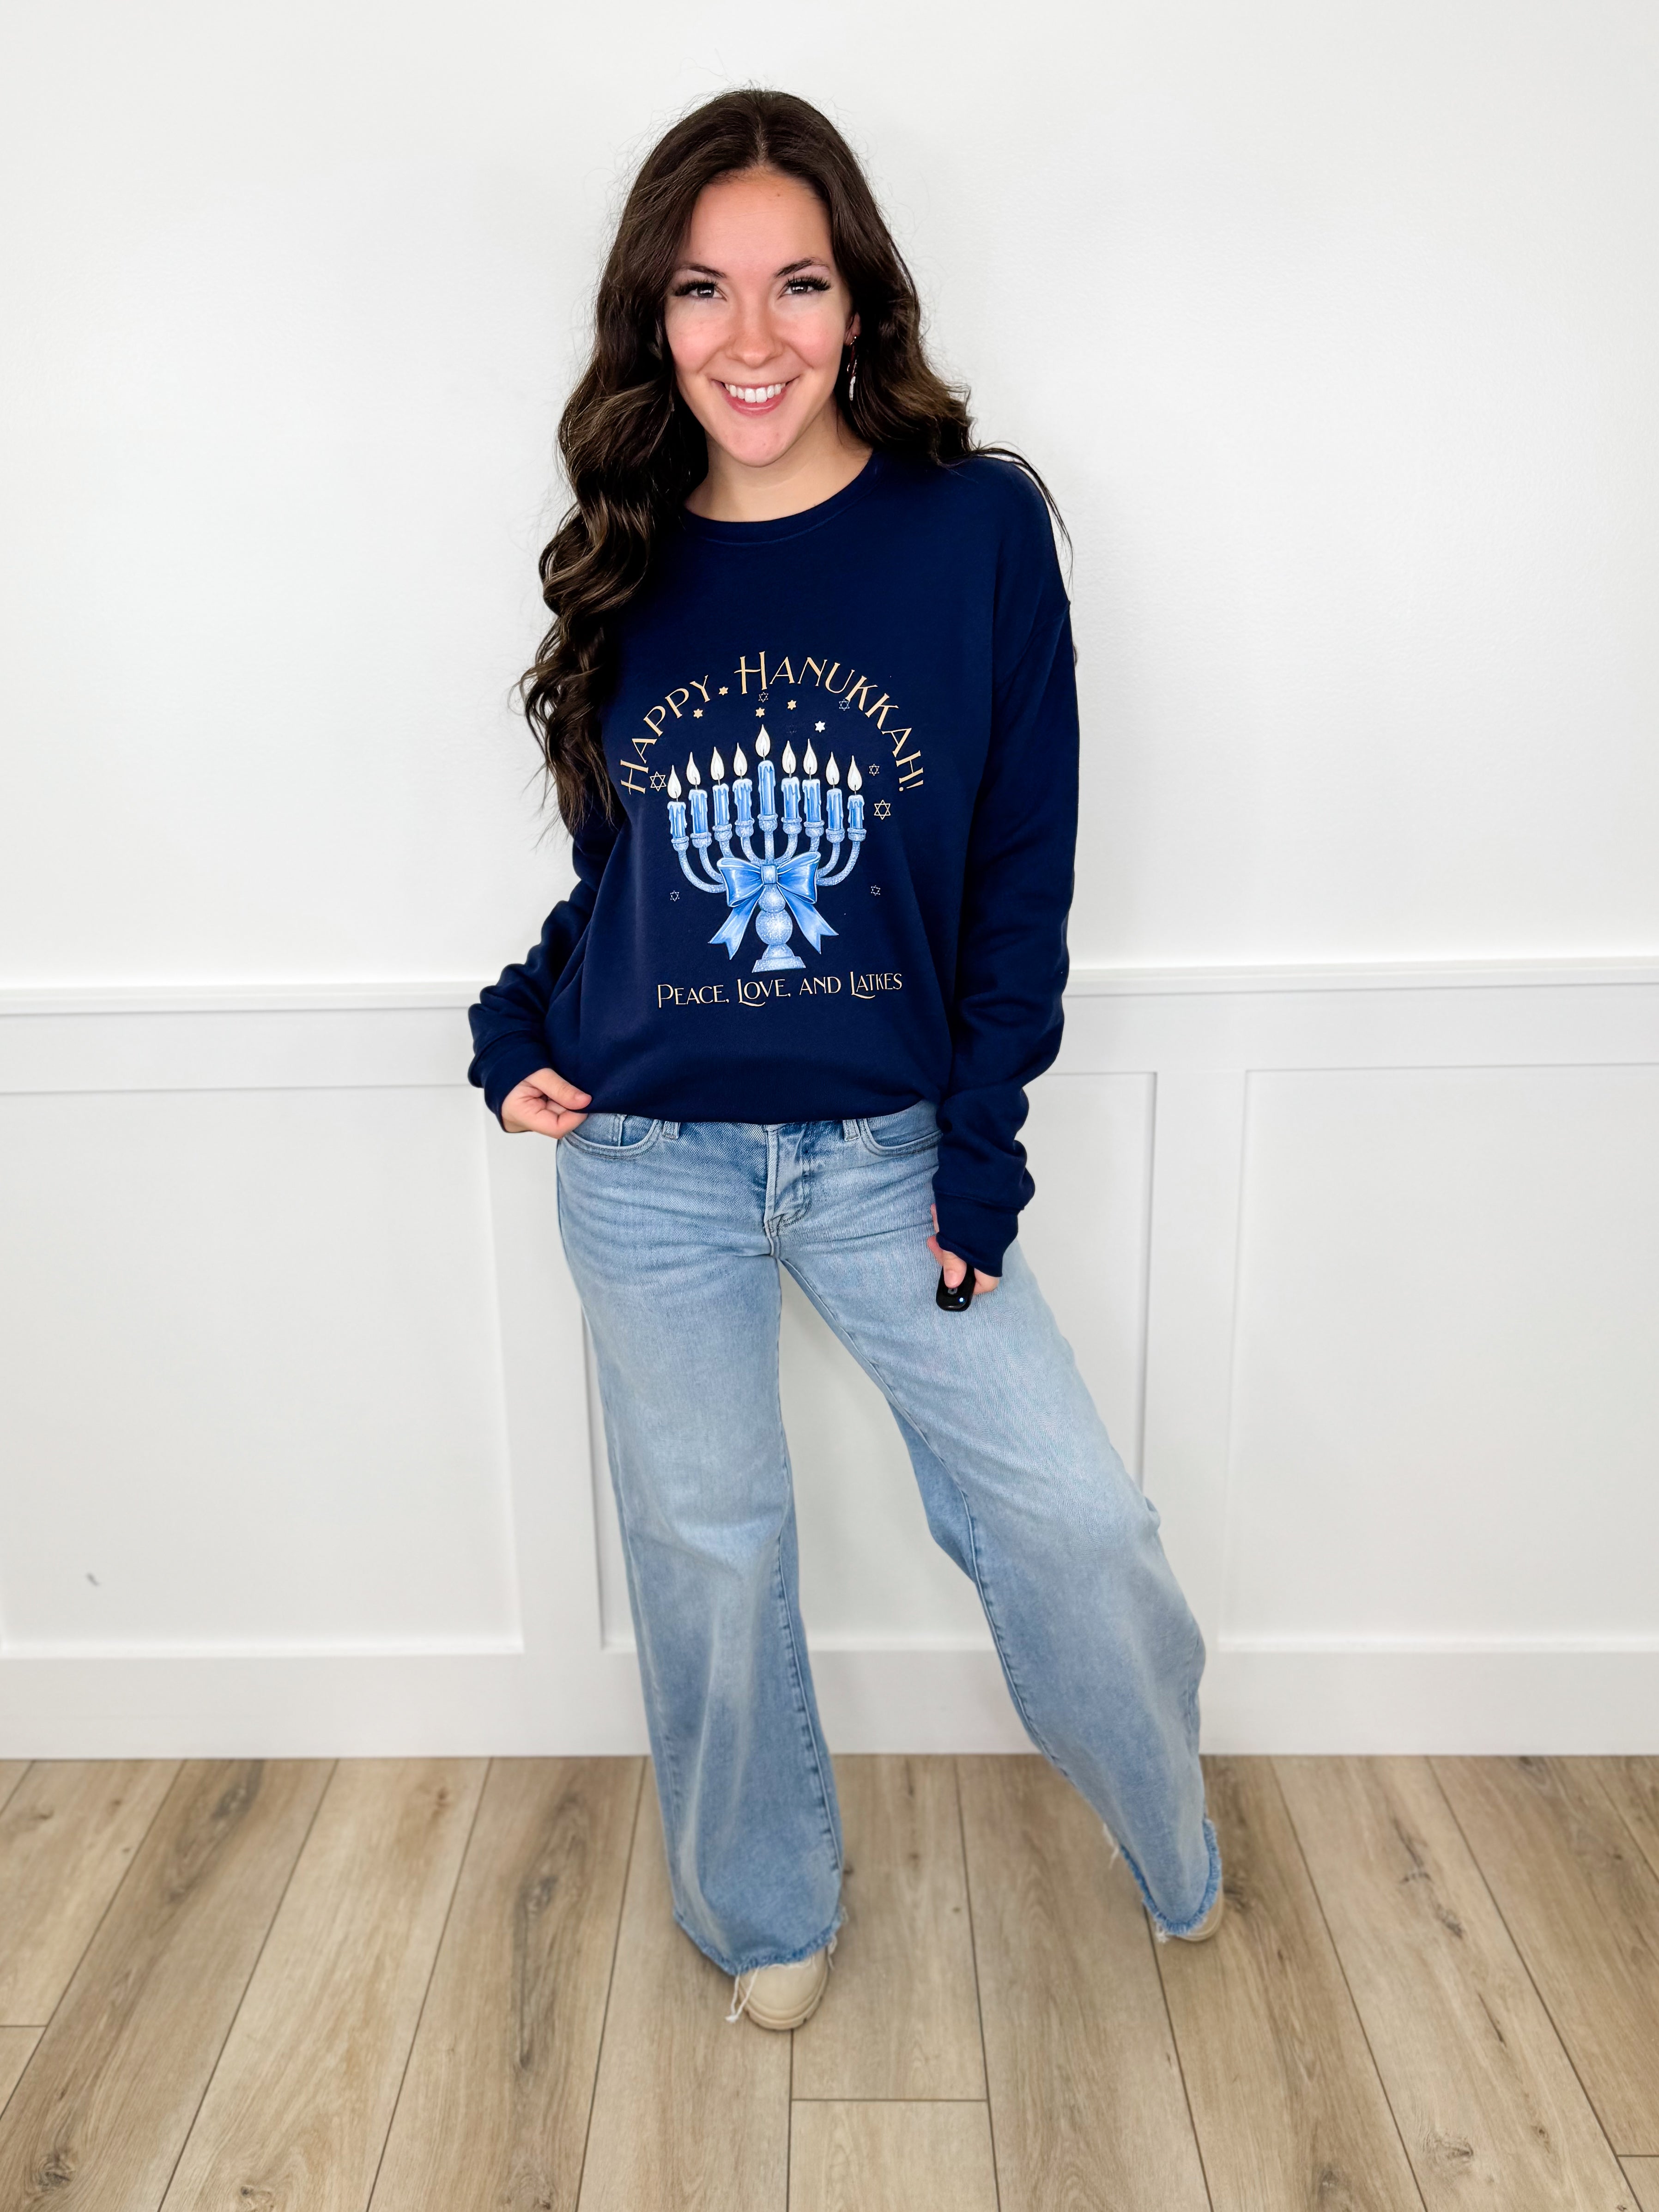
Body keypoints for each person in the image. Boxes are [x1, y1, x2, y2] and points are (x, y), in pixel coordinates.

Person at [468, 88, 1221, 2031]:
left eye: (794, 283)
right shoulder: (625, 555)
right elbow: (626, 883)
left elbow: (1018, 876)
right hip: (647, 1161)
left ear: (859, 300)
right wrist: (513, 1022)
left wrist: (981, 1154)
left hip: (893, 1151)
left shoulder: (975, 531)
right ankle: (763, 1906)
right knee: (708, 1557)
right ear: (651, 320)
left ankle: (1168, 1829)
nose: (750, 335)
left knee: (1072, 1521)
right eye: (699, 290)